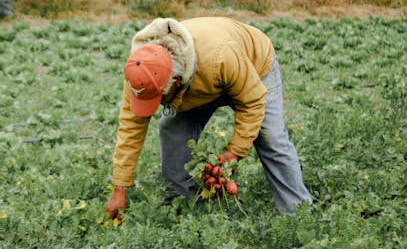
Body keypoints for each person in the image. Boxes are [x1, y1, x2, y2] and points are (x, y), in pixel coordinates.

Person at [105, 17, 312, 218]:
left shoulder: (220, 56)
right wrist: (120, 188)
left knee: (270, 138)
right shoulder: (142, 73)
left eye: (159, 98)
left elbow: (253, 102)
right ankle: (182, 204)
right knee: (172, 130)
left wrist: (235, 151)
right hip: (201, 81)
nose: (157, 104)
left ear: (175, 82)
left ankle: (298, 213)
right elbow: (130, 128)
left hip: (253, 66)